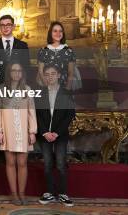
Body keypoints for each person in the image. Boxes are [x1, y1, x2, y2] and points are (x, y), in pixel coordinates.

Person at [0, 62, 37, 205]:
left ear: (22, 73)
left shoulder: (27, 89)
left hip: (23, 131)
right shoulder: (1, 89)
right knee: (11, 163)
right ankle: (14, 194)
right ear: (9, 73)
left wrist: (32, 131)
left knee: (22, 163)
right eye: (13, 71)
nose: (16, 73)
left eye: (19, 71)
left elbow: (32, 112)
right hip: (8, 130)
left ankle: (22, 193)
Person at [36, 64, 76, 207]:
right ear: (43, 76)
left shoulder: (66, 93)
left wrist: (57, 132)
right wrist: (45, 132)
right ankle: (50, 193)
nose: (50, 76)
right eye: (47, 74)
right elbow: (37, 115)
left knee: (60, 163)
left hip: (61, 135)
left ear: (59, 75)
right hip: (44, 135)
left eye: (53, 73)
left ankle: (63, 193)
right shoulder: (39, 93)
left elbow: (70, 114)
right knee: (47, 164)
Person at [0, 14, 29, 88]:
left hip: (18, 87)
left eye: (8, 24)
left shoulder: (22, 45)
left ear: (13, 26)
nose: (5, 27)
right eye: (2, 25)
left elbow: (26, 67)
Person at [37, 22, 78, 90]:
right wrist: (48, 89)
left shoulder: (69, 51)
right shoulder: (43, 51)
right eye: (55, 31)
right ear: (50, 33)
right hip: (47, 87)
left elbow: (71, 73)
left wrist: (66, 90)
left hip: (64, 87)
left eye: (60, 31)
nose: (58, 33)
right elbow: (41, 72)